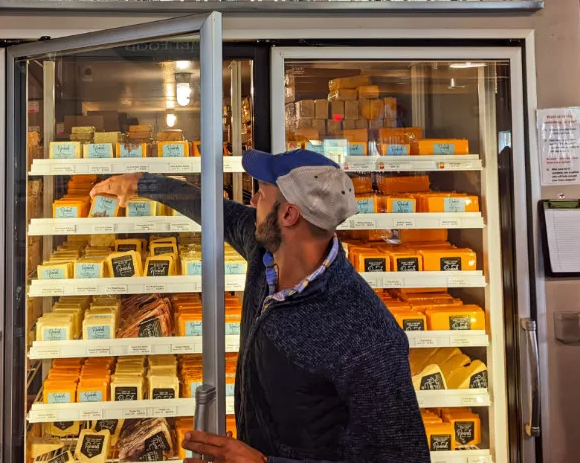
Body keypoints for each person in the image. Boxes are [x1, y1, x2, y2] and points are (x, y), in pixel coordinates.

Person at [90, 149, 430, 463]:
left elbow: (404, 458)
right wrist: (141, 183)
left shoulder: (367, 334)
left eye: (262, 193)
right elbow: (214, 209)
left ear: (289, 214)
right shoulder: (266, 253)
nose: (253, 200)